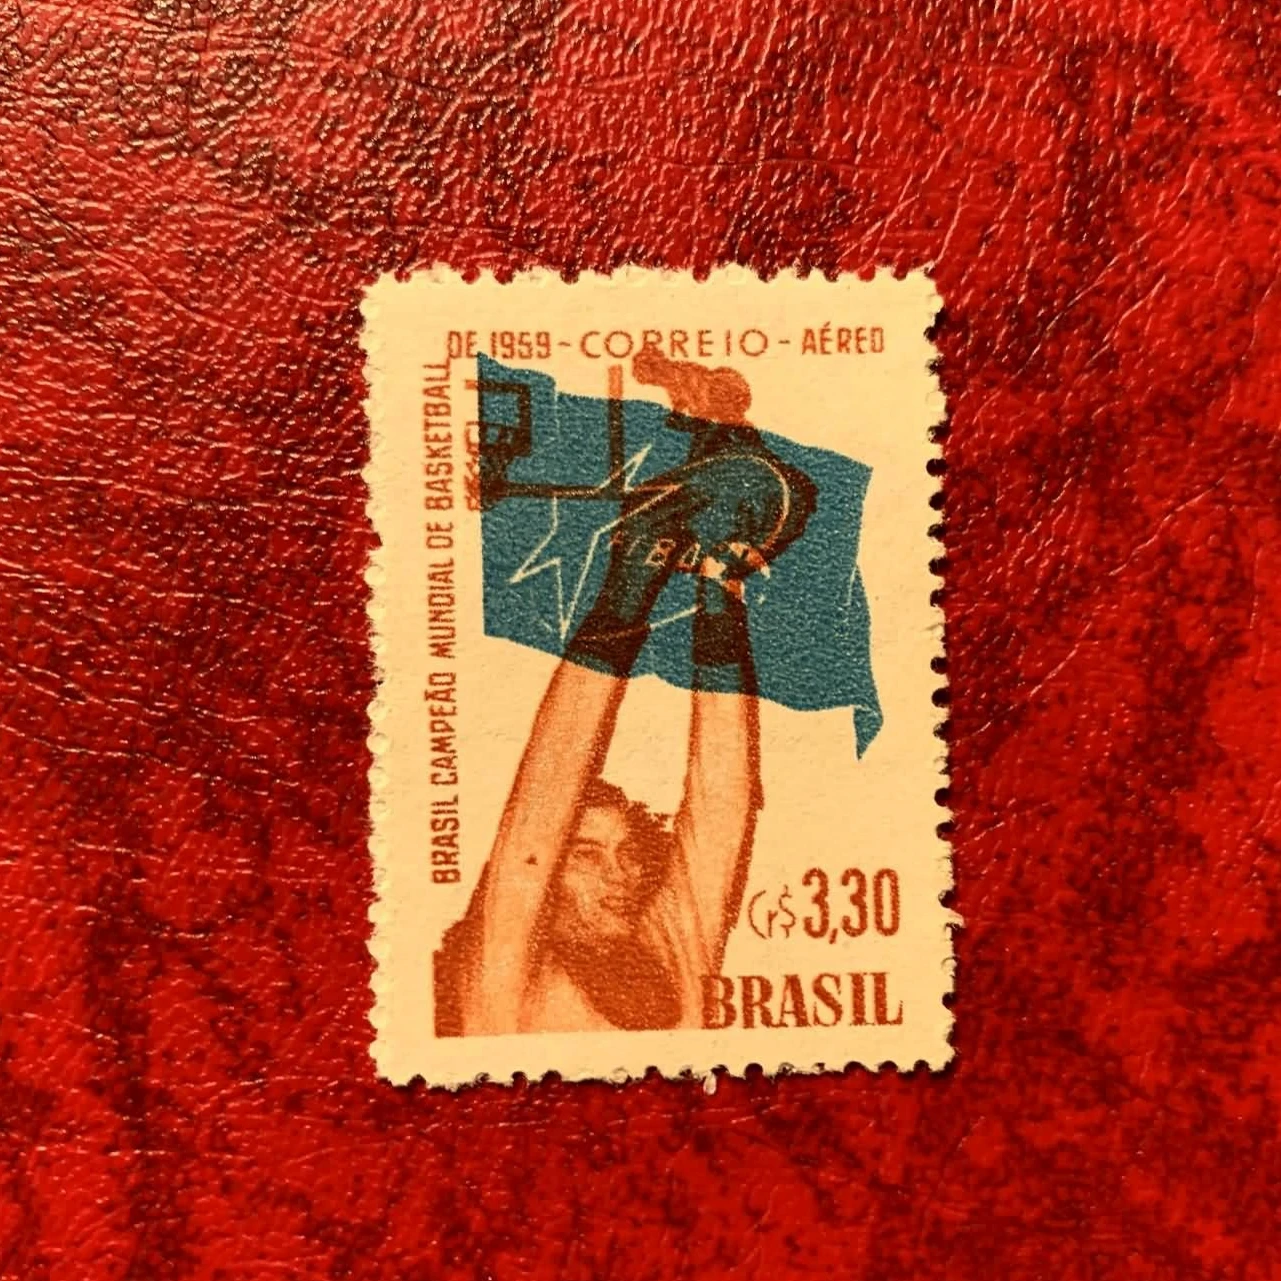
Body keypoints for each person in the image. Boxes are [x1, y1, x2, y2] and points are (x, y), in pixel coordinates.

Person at [434, 352, 813, 1036]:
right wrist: (628, 584)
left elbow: (719, 811)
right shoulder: (498, 981)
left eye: (626, 854)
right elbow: (539, 809)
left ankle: (705, 437)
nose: (621, 876)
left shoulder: (663, 957)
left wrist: (718, 591)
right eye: (584, 855)